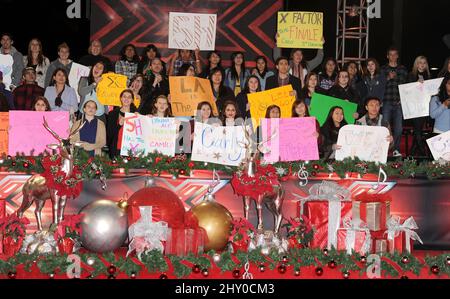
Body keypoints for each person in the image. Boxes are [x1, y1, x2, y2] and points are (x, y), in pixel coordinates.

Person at [381, 46, 408, 157]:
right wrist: (387, 78)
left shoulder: (403, 69)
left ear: (397, 56)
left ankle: (396, 149)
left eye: (394, 54)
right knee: (385, 127)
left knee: (398, 128)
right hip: (386, 102)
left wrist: (403, 100)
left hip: (399, 103)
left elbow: (407, 87)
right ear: (387, 56)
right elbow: (379, 85)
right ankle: (384, 149)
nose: (392, 56)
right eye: (390, 54)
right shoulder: (382, 69)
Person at [407, 55, 432, 156]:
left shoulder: (429, 76)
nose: (422, 65)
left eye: (424, 63)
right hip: (414, 107)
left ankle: (411, 155)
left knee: (418, 129)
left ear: (426, 65)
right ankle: (423, 154)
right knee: (418, 130)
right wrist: (416, 84)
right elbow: (406, 91)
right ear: (416, 64)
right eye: (420, 62)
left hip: (424, 107)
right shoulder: (411, 75)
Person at [106, 89, 137, 158]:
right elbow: (109, 135)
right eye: (124, 96)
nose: (126, 99)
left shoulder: (136, 115)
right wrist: (119, 125)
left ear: (132, 100)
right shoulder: (112, 114)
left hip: (131, 150)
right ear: (121, 98)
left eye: (129, 97)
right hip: (116, 149)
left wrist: (148, 118)